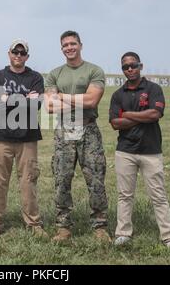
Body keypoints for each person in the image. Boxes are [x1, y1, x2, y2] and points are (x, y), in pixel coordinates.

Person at [109, 51, 170, 254]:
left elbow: (155, 114)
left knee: (158, 195)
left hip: (151, 150)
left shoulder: (153, 89)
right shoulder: (117, 95)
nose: (130, 69)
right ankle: (123, 233)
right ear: (122, 69)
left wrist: (129, 115)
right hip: (125, 151)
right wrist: (142, 116)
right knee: (124, 195)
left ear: (141, 66)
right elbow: (115, 123)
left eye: (133, 65)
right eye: (125, 67)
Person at [44, 31, 111, 242]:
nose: (69, 47)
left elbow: (92, 101)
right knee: (62, 178)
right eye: (65, 45)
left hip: (88, 130)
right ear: (61, 48)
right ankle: (63, 227)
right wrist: (78, 99)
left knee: (96, 179)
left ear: (80, 45)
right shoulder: (54, 74)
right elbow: (51, 106)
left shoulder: (94, 70)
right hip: (64, 131)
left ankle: (100, 226)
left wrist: (62, 96)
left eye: (73, 43)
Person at [0, 39, 48, 238]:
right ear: (8, 53)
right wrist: (24, 98)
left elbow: (36, 105)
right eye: (15, 52)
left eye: (22, 53)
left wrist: (8, 99)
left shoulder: (35, 77)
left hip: (27, 138)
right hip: (2, 138)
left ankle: (33, 223)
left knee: (28, 180)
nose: (18, 55)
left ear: (27, 56)